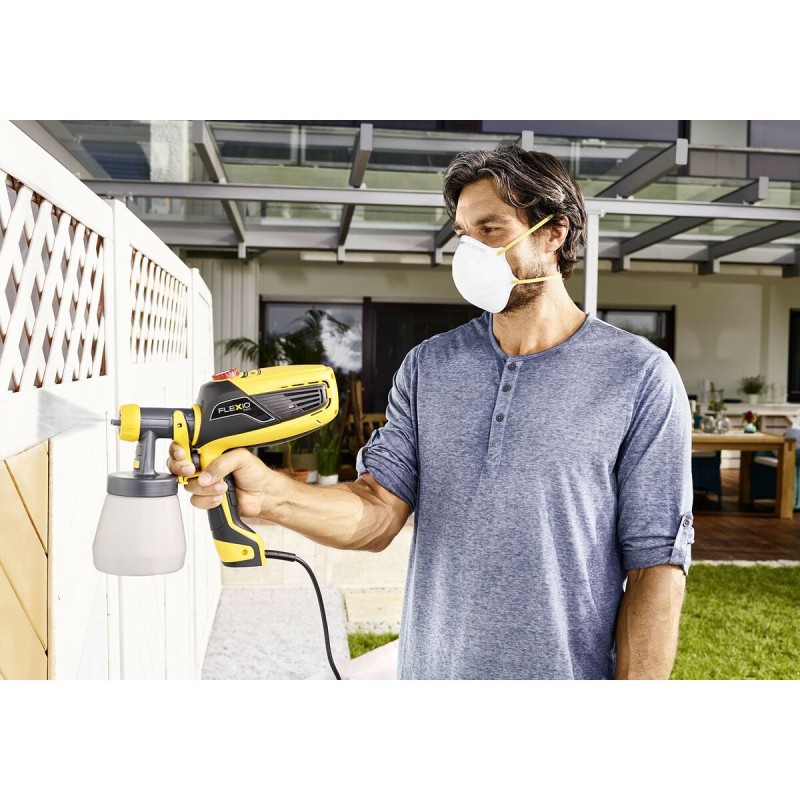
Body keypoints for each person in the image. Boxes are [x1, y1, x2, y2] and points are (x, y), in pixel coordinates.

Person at [167, 144, 693, 680]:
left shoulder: (639, 375)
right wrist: (270, 494)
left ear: (554, 232)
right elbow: (377, 512)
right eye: (464, 234)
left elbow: (656, 566)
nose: (471, 252)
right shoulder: (429, 366)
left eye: (491, 229)